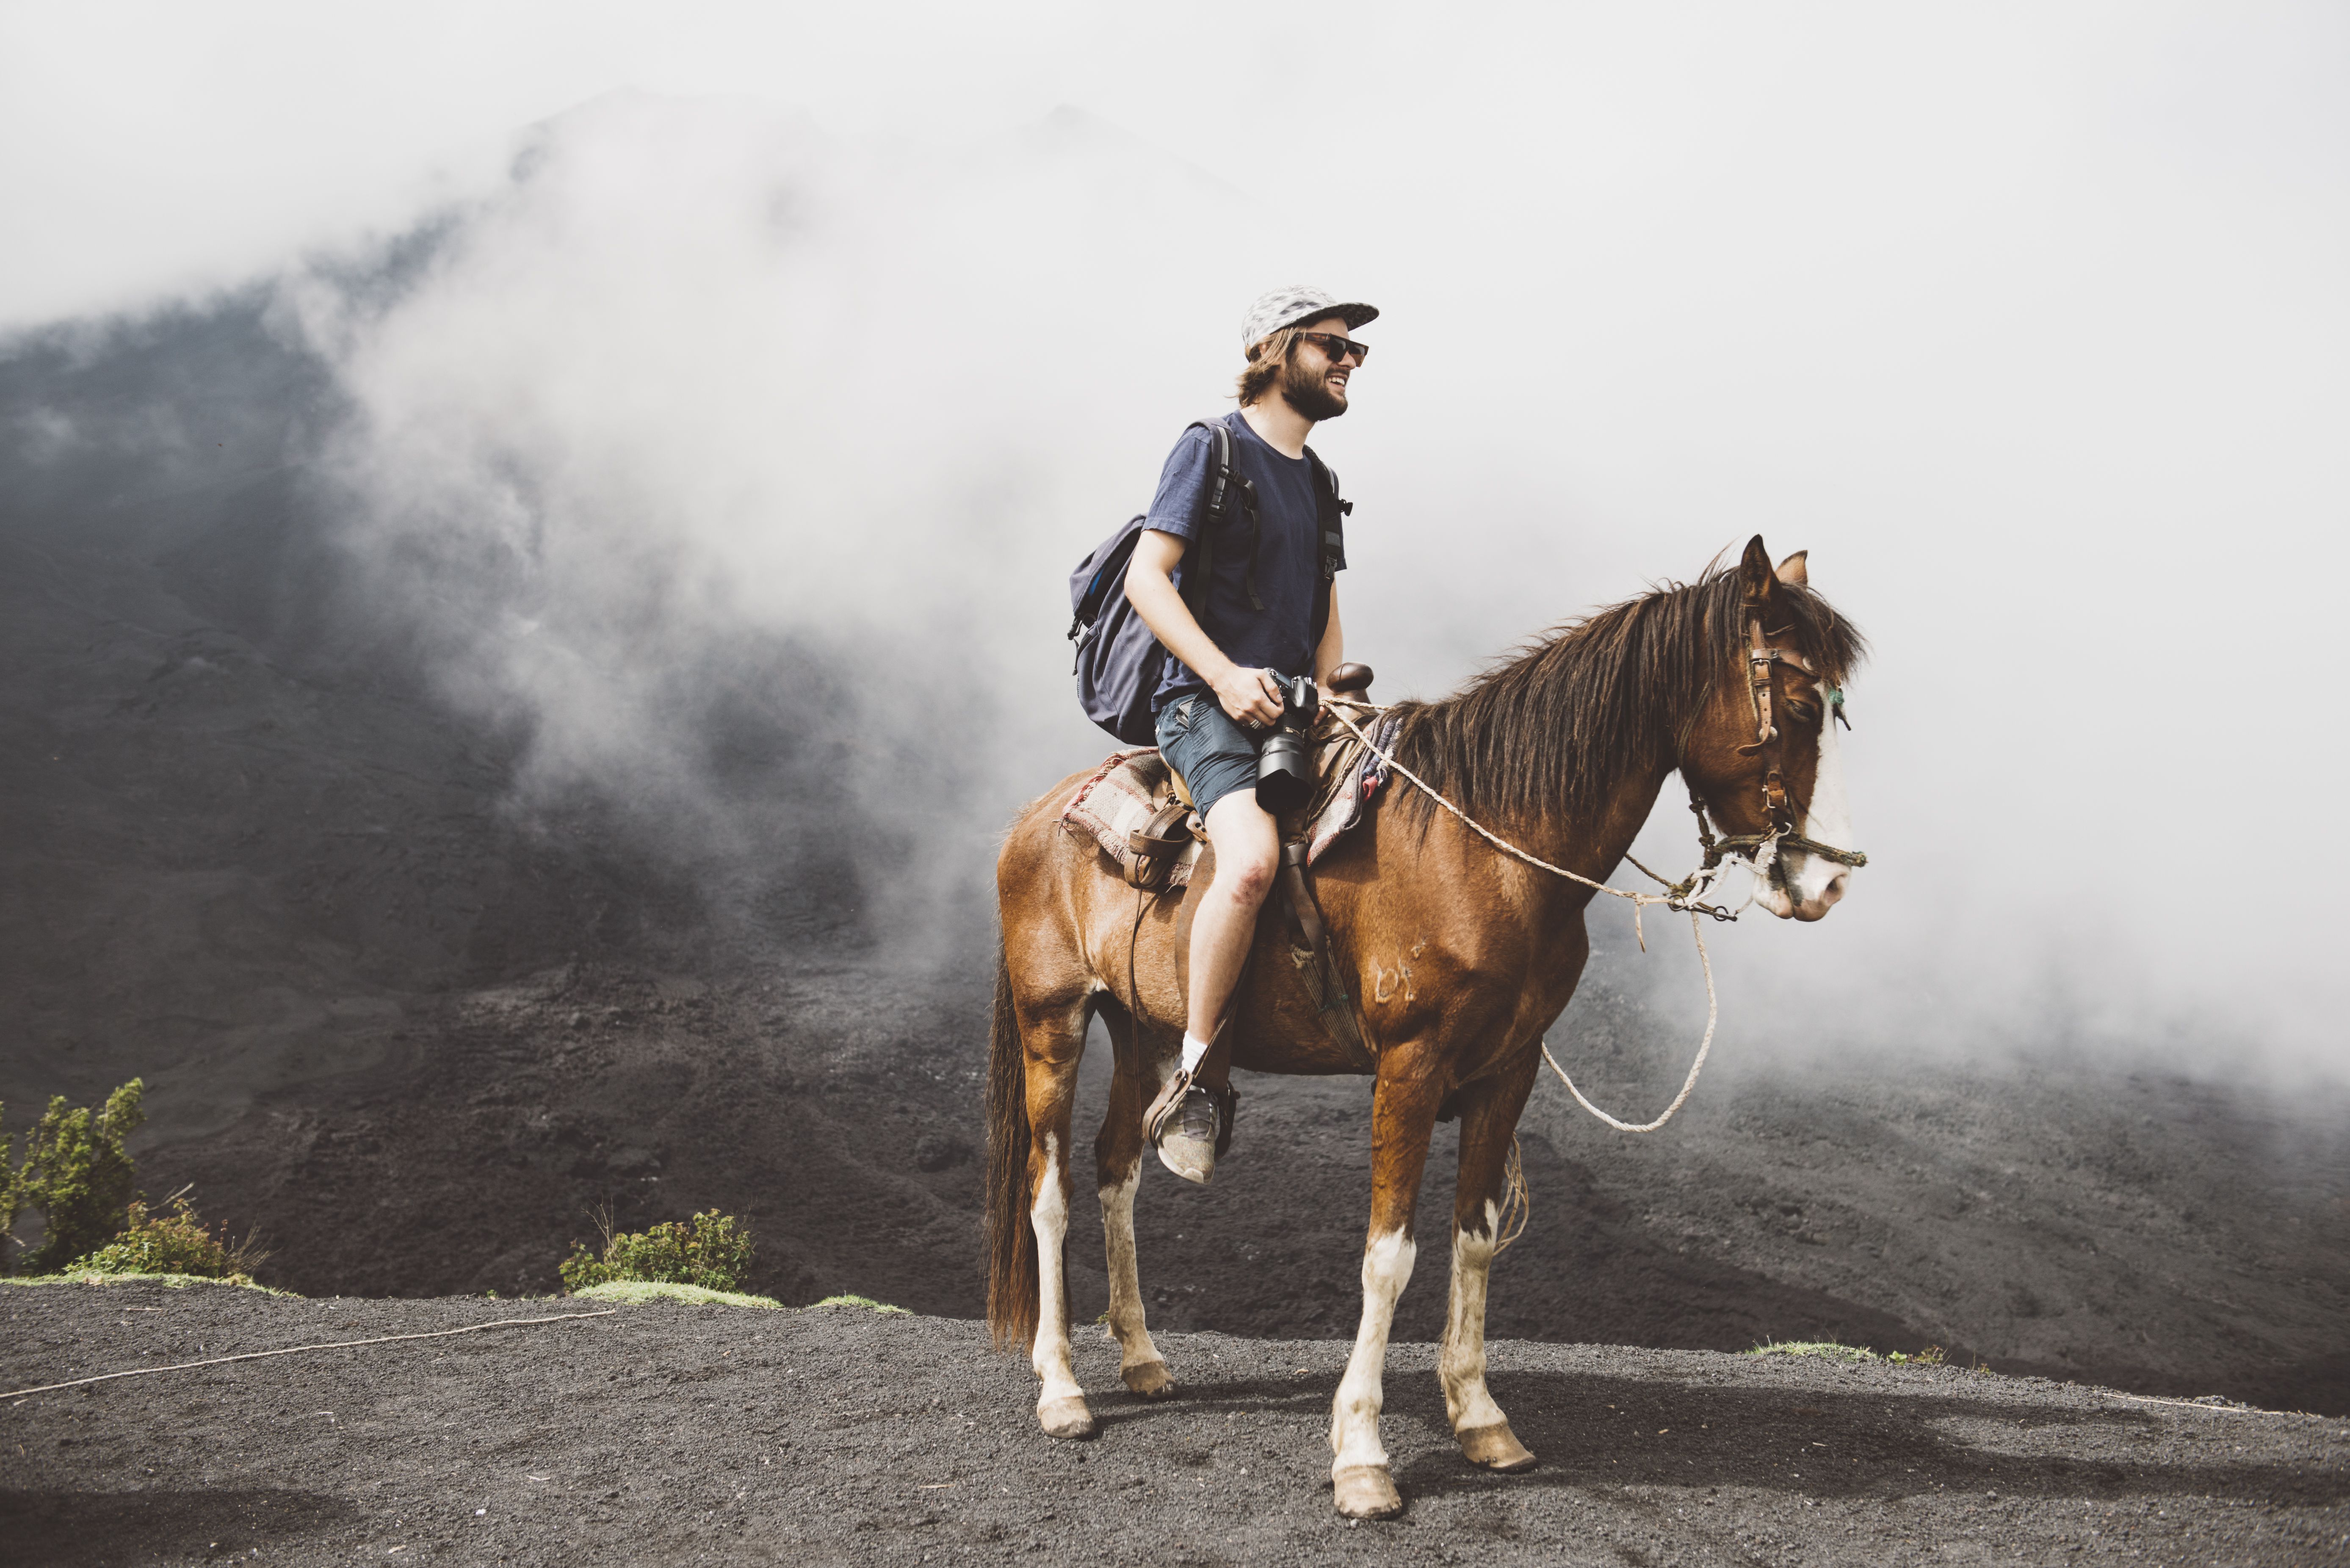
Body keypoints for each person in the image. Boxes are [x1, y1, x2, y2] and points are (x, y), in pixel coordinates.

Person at [1123, 285, 1375, 1184]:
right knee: (1255, 862)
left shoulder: (1318, 479)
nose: (1350, 363)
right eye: (1332, 347)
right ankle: (1193, 1079)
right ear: (1277, 351)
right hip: (1203, 705)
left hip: (1297, 713)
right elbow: (1148, 581)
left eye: (1357, 354)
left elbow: (1324, 610)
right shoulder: (1212, 448)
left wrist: (1332, 695)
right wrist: (1226, 676)